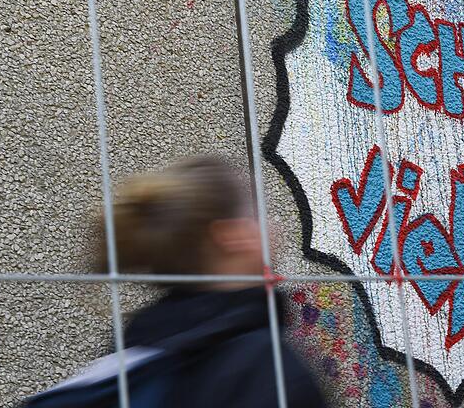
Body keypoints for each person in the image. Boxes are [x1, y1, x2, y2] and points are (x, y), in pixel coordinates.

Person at [24, 155, 327, 408]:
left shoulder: (130, 357)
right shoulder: (262, 367)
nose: (274, 226)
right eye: (258, 214)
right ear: (231, 236)